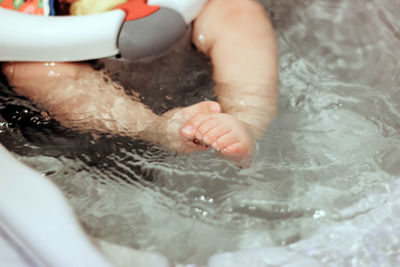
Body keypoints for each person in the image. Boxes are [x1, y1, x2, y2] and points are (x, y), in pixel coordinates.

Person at [1, 0, 278, 164]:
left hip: (173, 21)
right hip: (57, 41)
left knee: (235, 9)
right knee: (32, 69)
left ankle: (248, 117)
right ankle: (158, 128)